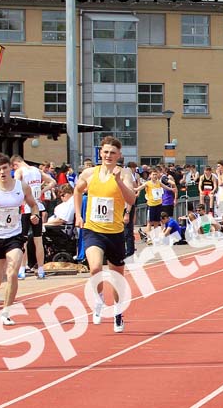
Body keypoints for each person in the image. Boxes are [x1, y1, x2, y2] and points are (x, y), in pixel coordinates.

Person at [74, 136, 137, 333]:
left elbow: (132, 199)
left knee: (117, 278)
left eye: (113, 153)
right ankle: (99, 298)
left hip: (115, 232)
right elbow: (77, 191)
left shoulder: (124, 173)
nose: (108, 155)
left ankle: (118, 312)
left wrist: (119, 182)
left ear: (119, 155)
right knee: (94, 269)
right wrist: (78, 215)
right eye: (105, 152)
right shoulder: (89, 173)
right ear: (100, 153)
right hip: (93, 229)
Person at [0, 153, 42, 325]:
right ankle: (3, 268)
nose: (2, 172)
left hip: (15, 236)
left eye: (5, 168)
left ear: (10, 168)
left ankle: (6, 312)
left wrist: (34, 215)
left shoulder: (21, 186)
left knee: (13, 272)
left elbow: (33, 204)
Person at [10, 155, 56, 279]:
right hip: (38, 207)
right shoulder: (36, 170)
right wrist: (41, 191)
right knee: (38, 239)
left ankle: (22, 269)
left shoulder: (19, 171)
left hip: (26, 208)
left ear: (16, 164)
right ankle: (41, 269)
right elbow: (53, 182)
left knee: (23, 240)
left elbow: (16, 187)